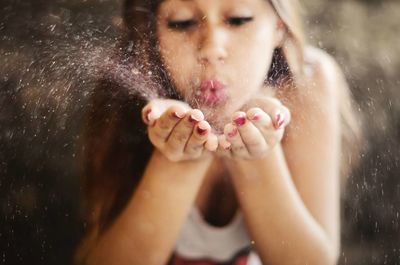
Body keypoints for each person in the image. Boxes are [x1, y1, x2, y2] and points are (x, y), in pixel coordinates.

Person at [75, 0, 361, 264]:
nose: (211, 48)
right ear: (153, 33)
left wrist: (256, 156)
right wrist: (178, 159)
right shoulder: (126, 94)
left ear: (278, 26)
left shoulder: (306, 84)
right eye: (182, 22)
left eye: (238, 19)